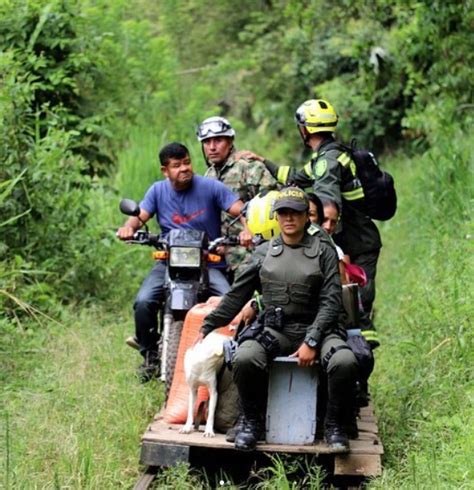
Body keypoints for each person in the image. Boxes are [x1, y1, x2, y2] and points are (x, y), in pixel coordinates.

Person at [197, 187, 359, 452]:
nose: (289, 218)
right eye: (283, 212)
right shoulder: (264, 252)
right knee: (245, 357)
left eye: (295, 213)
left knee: (344, 361)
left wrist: (312, 339)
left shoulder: (324, 250)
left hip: (320, 327)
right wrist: (209, 324)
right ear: (276, 216)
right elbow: (238, 294)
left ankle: (334, 425)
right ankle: (252, 422)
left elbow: (332, 301)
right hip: (278, 328)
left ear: (306, 216)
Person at [241, 100, 381, 348]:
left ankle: (358, 366)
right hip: (358, 238)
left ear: (305, 129)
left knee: (353, 305)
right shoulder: (329, 154)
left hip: (356, 242)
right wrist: (264, 160)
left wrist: (322, 233)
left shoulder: (326, 162)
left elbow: (328, 204)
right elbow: (295, 177)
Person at [117, 142, 251, 382]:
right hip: (170, 260)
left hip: (208, 262)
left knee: (232, 305)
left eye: (187, 163)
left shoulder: (211, 187)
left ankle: (234, 359)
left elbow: (240, 210)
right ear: (165, 170)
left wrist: (247, 231)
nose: (184, 169)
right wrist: (128, 228)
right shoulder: (157, 191)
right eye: (177, 166)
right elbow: (140, 218)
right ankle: (149, 356)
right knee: (144, 301)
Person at [197, 116, 277, 275]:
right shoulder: (208, 175)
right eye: (207, 142)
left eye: (218, 140)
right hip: (218, 256)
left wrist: (251, 231)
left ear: (230, 141)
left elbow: (273, 206)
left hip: (250, 254)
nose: (212, 147)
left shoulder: (249, 167)